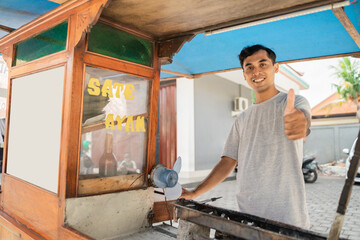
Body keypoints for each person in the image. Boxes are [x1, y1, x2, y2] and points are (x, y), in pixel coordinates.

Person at [181, 44, 311, 229]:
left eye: (263, 64)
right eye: (249, 67)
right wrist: (195, 193)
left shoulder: (293, 102)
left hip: (288, 215)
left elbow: (303, 120)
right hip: (248, 214)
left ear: (275, 68)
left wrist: (300, 123)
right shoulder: (242, 118)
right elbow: (228, 161)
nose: (256, 71)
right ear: (244, 74)